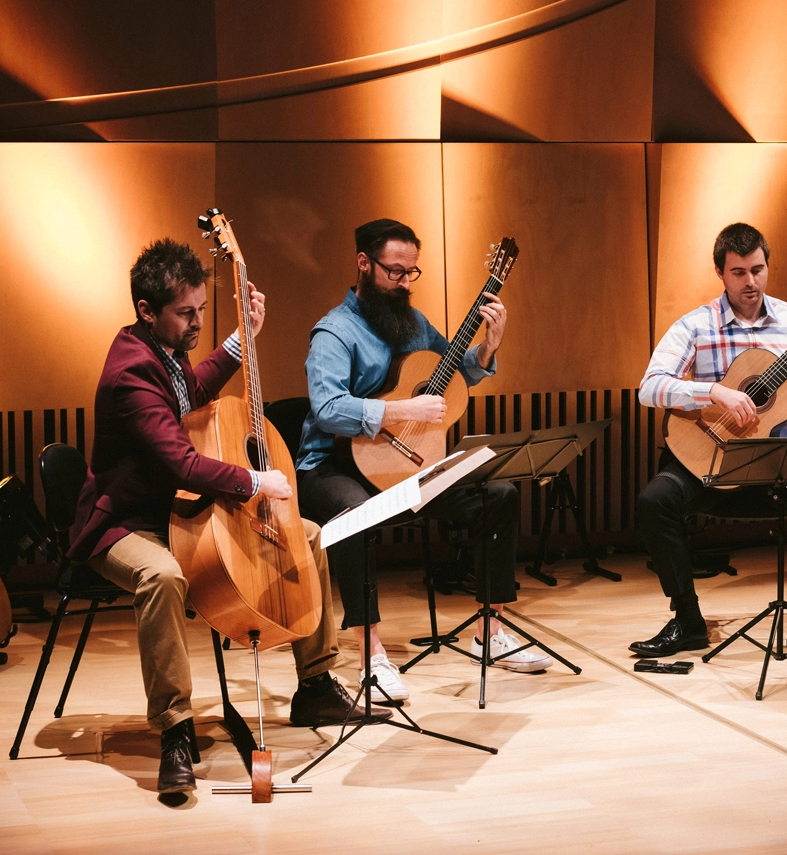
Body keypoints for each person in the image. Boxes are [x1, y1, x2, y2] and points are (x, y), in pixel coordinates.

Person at [69, 239, 383, 797]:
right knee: (163, 576)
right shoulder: (130, 371)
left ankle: (314, 683)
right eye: (185, 314)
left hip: (173, 509)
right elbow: (180, 461)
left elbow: (188, 391)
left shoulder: (164, 348)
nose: (196, 324)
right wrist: (254, 481)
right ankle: (175, 730)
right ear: (147, 311)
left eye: (201, 312)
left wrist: (240, 344)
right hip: (124, 522)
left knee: (308, 535)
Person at [296, 218, 551, 703]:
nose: (404, 283)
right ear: (364, 263)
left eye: (412, 273)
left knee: (497, 496)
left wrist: (488, 348)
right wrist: (400, 409)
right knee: (354, 518)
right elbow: (327, 410)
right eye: (395, 272)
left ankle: (490, 630)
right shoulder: (334, 332)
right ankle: (372, 657)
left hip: (403, 461)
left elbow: (449, 373)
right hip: (333, 465)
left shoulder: (412, 324)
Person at [630, 222, 787, 661]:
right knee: (654, 501)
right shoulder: (695, 325)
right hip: (710, 456)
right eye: (738, 273)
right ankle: (687, 621)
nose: (751, 282)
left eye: (758, 269)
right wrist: (713, 391)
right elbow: (648, 387)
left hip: (777, 461)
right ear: (720, 273)